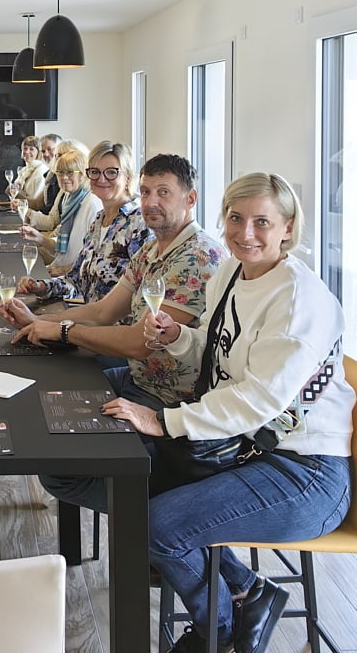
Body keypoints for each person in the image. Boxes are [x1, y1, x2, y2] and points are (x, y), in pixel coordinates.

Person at [104, 173, 353, 653]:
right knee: (135, 489)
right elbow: (217, 351)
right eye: (236, 219)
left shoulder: (298, 298)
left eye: (262, 222)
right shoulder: (234, 274)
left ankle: (217, 634)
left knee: (157, 525)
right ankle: (246, 590)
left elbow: (258, 399)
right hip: (250, 448)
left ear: (288, 227)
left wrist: (163, 421)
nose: (245, 233)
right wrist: (179, 337)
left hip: (307, 474)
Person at [1, 154, 225, 413]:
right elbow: (103, 312)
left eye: (163, 193)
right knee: (37, 389)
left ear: (190, 199)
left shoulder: (197, 257)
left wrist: (62, 331)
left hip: (169, 402)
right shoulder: (152, 249)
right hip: (138, 379)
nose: (151, 202)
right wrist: (37, 321)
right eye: (146, 192)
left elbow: (139, 343)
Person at [19, 141, 151, 311]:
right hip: (89, 315)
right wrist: (41, 287)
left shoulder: (139, 223)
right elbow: (75, 279)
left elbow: (141, 297)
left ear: (128, 178)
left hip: (113, 323)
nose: (101, 179)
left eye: (111, 172)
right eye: (95, 172)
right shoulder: (99, 220)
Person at [18, 148, 102, 276]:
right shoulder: (69, 197)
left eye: (70, 173)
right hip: (60, 267)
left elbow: (95, 256)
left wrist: (63, 271)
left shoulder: (92, 204)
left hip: (74, 277)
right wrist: (39, 238)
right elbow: (64, 246)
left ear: (83, 174)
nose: (64, 177)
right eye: (60, 172)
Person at [12, 135, 47, 202]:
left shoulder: (42, 171)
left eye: (31, 149)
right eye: (25, 148)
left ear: (38, 152)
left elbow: (35, 201)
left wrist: (16, 193)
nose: (27, 152)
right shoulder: (24, 170)